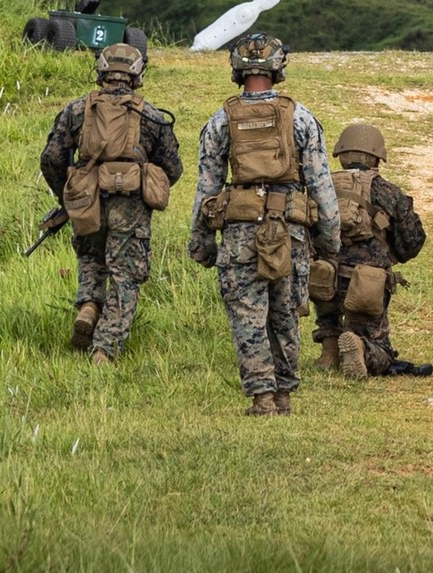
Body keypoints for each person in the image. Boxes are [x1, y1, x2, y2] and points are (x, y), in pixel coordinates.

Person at [188, 33, 340, 416]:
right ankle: (284, 393)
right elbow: (322, 187)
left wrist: (200, 241)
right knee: (286, 311)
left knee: (248, 315)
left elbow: (205, 188)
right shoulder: (301, 117)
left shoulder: (221, 120)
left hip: (240, 232)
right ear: (279, 68)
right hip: (289, 229)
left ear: (237, 70)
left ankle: (262, 397)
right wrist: (329, 239)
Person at [39, 42, 182, 363]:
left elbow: (51, 157)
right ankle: (104, 349)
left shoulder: (76, 110)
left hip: (86, 199)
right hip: (130, 205)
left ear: (101, 71)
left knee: (91, 257)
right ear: (137, 74)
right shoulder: (151, 115)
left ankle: (89, 306)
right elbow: (173, 167)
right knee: (125, 275)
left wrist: (67, 194)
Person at [311, 120, 430, 380]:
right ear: (377, 158)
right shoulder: (387, 192)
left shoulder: (321, 186)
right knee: (379, 346)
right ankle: (362, 347)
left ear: (341, 156)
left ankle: (329, 348)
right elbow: (412, 241)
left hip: (322, 276)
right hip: (366, 283)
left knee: (327, 308)